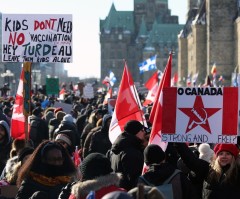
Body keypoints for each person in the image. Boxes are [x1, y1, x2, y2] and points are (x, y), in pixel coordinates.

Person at [175, 143, 240, 199]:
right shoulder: (208, 169)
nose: (224, 156)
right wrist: (179, 143)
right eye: (221, 154)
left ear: (233, 157)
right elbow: (191, 160)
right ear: (217, 157)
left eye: (228, 154)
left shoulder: (237, 171)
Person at [107, 120, 146, 191]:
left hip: (120, 191)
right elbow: (135, 179)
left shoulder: (119, 146)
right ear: (135, 132)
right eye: (142, 130)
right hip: (130, 193)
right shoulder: (131, 152)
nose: (144, 132)